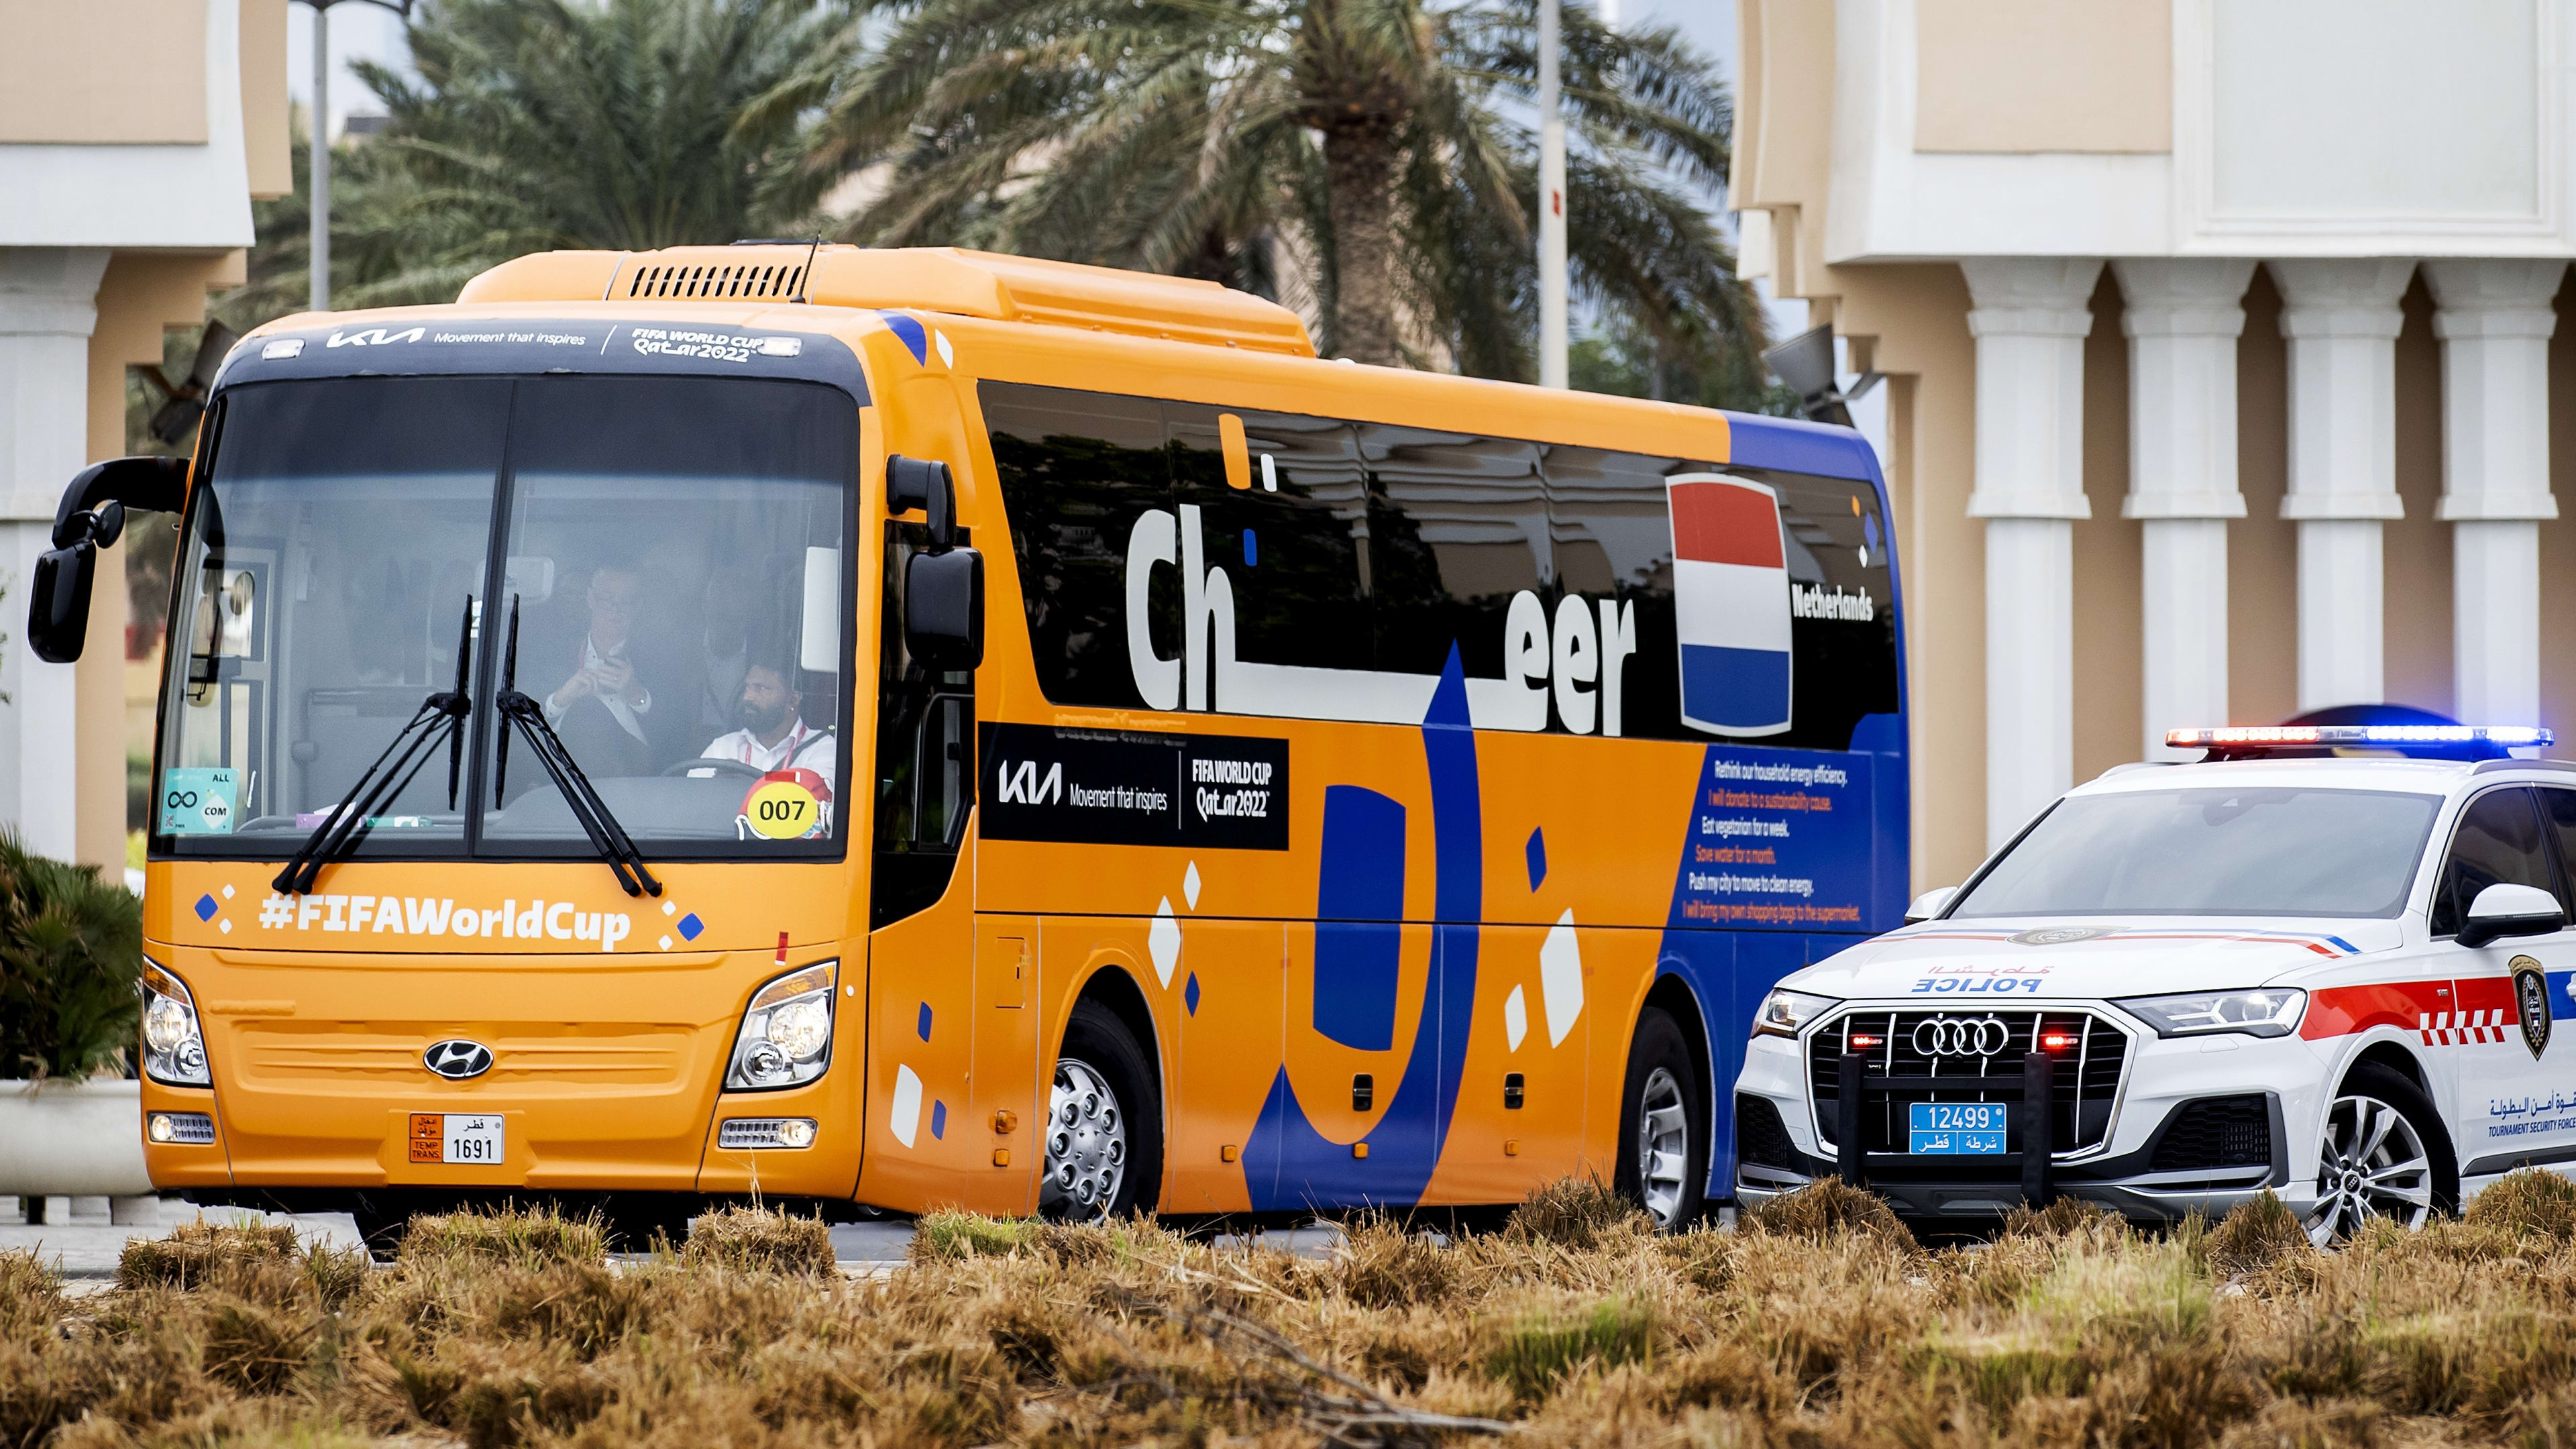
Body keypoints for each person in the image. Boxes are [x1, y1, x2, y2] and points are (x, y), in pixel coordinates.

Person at [539, 561, 669, 776]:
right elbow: (520, 723)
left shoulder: (660, 659)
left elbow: (675, 737)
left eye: (626, 602)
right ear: (590, 598)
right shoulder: (554, 653)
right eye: (607, 599)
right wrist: (561, 698)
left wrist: (637, 695)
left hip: (634, 778)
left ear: (639, 606)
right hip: (558, 775)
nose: (615, 610)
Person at [700, 660, 836, 790]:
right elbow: (696, 797)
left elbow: (818, 791)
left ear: (793, 700)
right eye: (748, 687)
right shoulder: (722, 748)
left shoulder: (821, 747)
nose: (747, 696)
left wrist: (752, 782)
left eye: (760, 688)